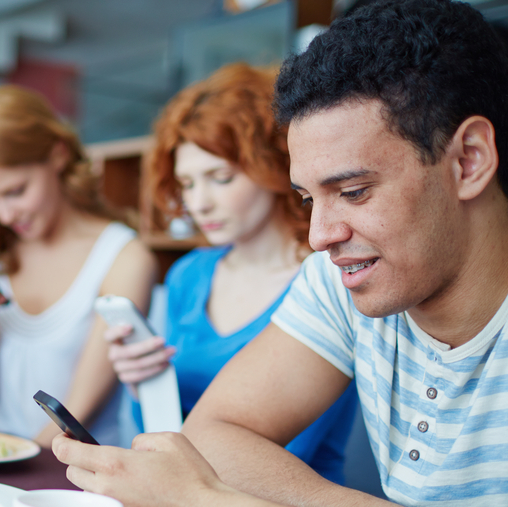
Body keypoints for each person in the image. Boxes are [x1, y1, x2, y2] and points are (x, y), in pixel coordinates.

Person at [52, 0, 508, 507]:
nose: (320, 234)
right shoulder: (344, 276)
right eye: (307, 198)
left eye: (353, 192)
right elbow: (215, 433)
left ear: (467, 160)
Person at [106, 63, 358, 483]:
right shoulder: (189, 274)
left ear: (275, 165)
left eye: (220, 178)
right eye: (187, 184)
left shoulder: (330, 280)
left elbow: (287, 454)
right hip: (186, 497)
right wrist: (143, 384)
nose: (199, 203)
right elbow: (160, 430)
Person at [0, 85, 157, 447]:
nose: (5, 214)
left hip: (68, 470)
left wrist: (9, 461)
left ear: (58, 155)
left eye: (15, 191)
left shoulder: (124, 259)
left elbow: (76, 415)